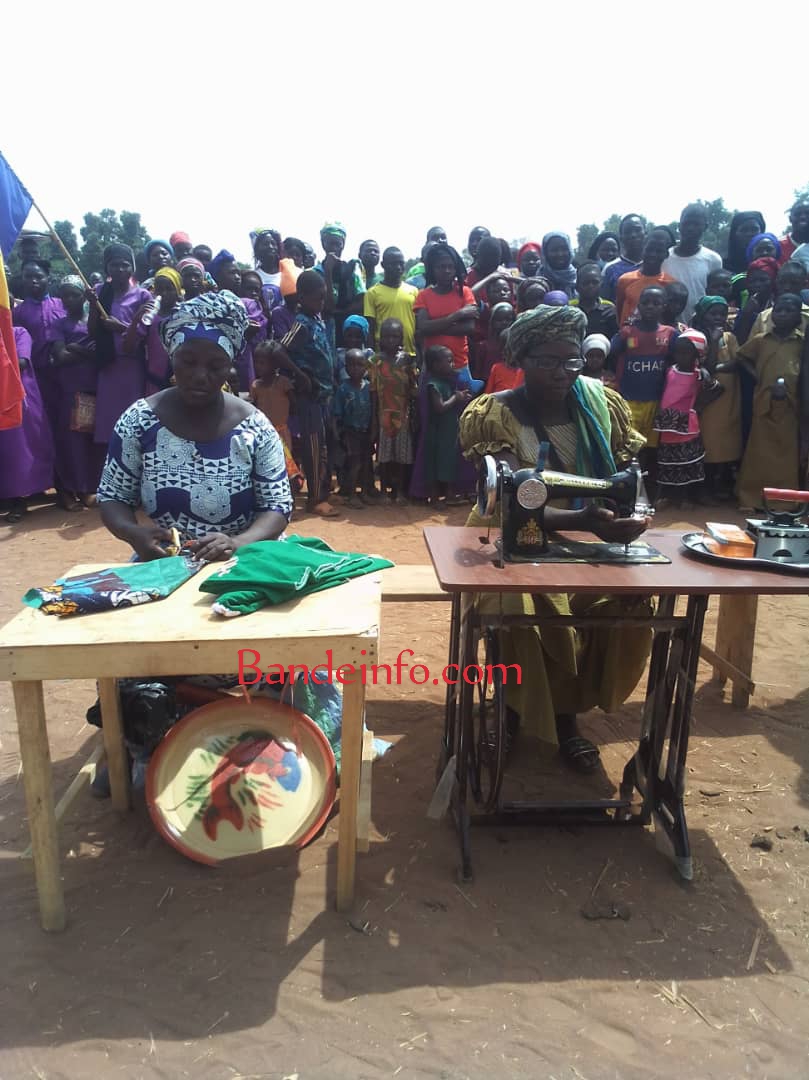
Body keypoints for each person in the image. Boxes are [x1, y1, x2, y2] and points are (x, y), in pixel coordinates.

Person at [459, 304, 650, 772]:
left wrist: (636, 509)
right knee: (520, 607)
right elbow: (509, 501)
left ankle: (567, 714)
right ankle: (508, 709)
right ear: (522, 358)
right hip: (509, 539)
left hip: (589, 535)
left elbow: (629, 476)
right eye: (548, 361)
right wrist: (584, 519)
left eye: (572, 360)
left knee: (627, 602)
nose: (563, 372)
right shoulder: (495, 413)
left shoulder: (601, 403)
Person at [97, 289, 291, 566]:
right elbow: (113, 497)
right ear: (172, 357)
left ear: (230, 367)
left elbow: (277, 507)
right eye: (188, 362)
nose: (200, 376)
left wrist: (237, 543)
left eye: (215, 366)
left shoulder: (255, 429)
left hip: (245, 562)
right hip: (165, 562)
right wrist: (134, 533)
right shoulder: (139, 421)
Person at [736, 294, 806, 507]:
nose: (782, 314)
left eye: (789, 311)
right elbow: (741, 356)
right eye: (779, 310)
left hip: (791, 406)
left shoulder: (802, 342)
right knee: (758, 453)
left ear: (798, 316)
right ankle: (752, 498)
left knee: (786, 455)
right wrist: (757, 375)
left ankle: (785, 501)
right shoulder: (761, 339)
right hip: (764, 403)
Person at [278, 270, 338, 518]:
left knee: (324, 444)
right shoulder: (301, 323)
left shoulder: (318, 318)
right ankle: (314, 499)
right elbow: (279, 350)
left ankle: (323, 491)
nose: (321, 302)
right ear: (302, 297)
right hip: (310, 395)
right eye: (317, 298)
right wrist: (299, 375)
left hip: (324, 394)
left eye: (323, 297)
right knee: (313, 446)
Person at [609, 285, 678, 490]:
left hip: (656, 400)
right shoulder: (627, 332)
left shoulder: (670, 334)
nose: (650, 307)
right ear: (639, 305)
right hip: (629, 399)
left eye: (656, 303)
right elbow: (611, 354)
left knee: (650, 447)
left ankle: (645, 488)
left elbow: (677, 361)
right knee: (628, 446)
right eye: (646, 302)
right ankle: (625, 485)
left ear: (663, 307)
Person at [89, 243, 153, 445]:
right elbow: (92, 331)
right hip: (107, 367)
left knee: (131, 423)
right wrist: (92, 304)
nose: (119, 270)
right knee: (108, 425)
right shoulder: (100, 291)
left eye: (124, 265)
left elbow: (146, 333)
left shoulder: (143, 295)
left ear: (132, 268)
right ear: (106, 268)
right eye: (114, 265)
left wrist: (120, 327)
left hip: (131, 367)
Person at [50, 276, 104, 508]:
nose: (69, 299)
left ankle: (89, 487)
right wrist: (84, 351)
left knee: (92, 439)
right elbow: (60, 356)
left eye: (74, 294)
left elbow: (101, 354)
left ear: (83, 296)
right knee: (72, 441)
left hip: (95, 386)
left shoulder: (93, 321)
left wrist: (76, 348)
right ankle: (71, 489)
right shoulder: (59, 324)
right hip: (70, 389)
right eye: (65, 295)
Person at [0, 323, 54, 521]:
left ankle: (19, 500)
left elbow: (22, 362)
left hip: (16, 396)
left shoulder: (18, 332)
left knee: (17, 450)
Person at [692, 295, 742, 499]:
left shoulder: (730, 337)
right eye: (713, 313)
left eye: (722, 314)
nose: (718, 318)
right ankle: (704, 488)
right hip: (707, 397)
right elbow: (707, 366)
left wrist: (717, 368)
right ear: (703, 315)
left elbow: (736, 361)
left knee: (726, 440)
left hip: (728, 395)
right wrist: (712, 342)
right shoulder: (697, 337)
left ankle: (720, 486)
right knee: (708, 440)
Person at [414, 244, 481, 392]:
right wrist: (457, 315)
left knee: (462, 411)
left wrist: (435, 327)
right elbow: (423, 328)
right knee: (432, 412)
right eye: (441, 267)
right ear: (432, 269)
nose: (447, 271)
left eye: (450, 266)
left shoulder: (465, 293)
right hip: (432, 367)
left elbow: (469, 328)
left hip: (459, 365)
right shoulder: (424, 296)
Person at [653, 330, 707, 504]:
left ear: (697, 354)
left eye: (686, 352)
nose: (680, 356)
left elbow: (717, 388)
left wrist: (698, 406)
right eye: (678, 352)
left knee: (686, 461)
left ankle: (684, 497)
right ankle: (667, 495)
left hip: (687, 425)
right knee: (667, 460)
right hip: (667, 424)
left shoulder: (698, 374)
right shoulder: (670, 370)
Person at [368, 318, 417, 503]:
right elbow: (373, 391)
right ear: (380, 338)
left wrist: (415, 416)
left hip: (403, 416)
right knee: (384, 457)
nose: (390, 340)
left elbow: (413, 390)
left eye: (395, 336)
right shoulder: (375, 361)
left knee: (402, 458)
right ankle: (384, 490)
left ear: (401, 338)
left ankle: (400, 491)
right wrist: (373, 418)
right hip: (383, 416)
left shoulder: (407, 361)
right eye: (387, 336)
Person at [249, 340, 307, 494]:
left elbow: (294, 406)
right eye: (257, 362)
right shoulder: (256, 385)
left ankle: (290, 494)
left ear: (275, 364)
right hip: (262, 433)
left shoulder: (283, 383)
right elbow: (253, 407)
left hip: (281, 431)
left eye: (263, 363)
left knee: (284, 464)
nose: (258, 366)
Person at [416, 344, 471, 502]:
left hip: (449, 432)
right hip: (437, 432)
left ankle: (449, 494)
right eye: (449, 361)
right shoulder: (434, 384)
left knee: (449, 462)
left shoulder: (448, 381)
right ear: (436, 365)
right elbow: (440, 407)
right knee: (434, 463)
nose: (453, 364)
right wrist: (456, 397)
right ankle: (434, 496)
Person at [126, 267, 184, 396]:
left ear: (178, 291)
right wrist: (136, 319)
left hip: (180, 382)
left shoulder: (184, 315)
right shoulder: (150, 317)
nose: (164, 293)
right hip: (154, 381)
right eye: (159, 289)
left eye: (169, 289)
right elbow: (129, 347)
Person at [662, 204, 722, 323]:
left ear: (705, 227)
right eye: (686, 223)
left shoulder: (713, 259)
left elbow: (716, 295)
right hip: (668, 327)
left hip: (701, 327)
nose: (690, 228)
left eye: (696, 224)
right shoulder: (664, 257)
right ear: (679, 226)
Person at [334, 350, 374, 508]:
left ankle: (363, 492)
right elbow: (337, 414)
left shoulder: (369, 387)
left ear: (366, 367)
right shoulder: (343, 389)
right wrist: (337, 433)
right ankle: (351, 495)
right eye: (352, 365)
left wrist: (374, 429)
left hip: (366, 430)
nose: (356, 368)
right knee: (354, 464)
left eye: (360, 365)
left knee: (365, 463)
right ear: (346, 367)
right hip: (351, 432)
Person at [614, 229, 676, 325]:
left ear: (666, 254)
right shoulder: (625, 280)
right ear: (643, 249)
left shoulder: (671, 285)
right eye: (649, 249)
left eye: (659, 251)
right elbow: (619, 313)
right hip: (628, 338)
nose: (653, 254)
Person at [364, 247, 418, 355]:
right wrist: (373, 355)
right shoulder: (372, 293)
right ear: (383, 265)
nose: (398, 267)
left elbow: (418, 326)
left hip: (410, 354)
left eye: (401, 263)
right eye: (393, 264)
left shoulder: (414, 291)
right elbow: (370, 328)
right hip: (384, 356)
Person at [601, 214, 646, 302]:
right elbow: (604, 304)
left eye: (637, 230)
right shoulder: (610, 269)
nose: (633, 235)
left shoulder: (657, 265)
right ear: (621, 237)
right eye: (628, 232)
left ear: (646, 233)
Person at [570, 262, 618, 338]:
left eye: (595, 282)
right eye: (586, 283)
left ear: (601, 285)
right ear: (577, 287)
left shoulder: (609, 308)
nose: (590, 286)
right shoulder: (570, 308)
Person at [476, 301, 515, 383]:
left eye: (508, 319)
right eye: (499, 320)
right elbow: (478, 374)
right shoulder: (484, 346)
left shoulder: (518, 345)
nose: (504, 323)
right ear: (492, 322)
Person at [335, 314, 374, 383]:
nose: (353, 339)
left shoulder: (369, 354)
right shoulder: (339, 355)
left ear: (364, 338)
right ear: (344, 336)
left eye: (358, 336)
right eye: (349, 336)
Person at [540, 232, 578, 298]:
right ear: (545, 253)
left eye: (564, 249)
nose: (560, 254)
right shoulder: (539, 279)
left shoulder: (579, 277)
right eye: (554, 250)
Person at [778, 200, 809, 265]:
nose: (803, 217)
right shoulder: (778, 246)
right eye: (798, 214)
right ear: (790, 219)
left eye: (807, 213)